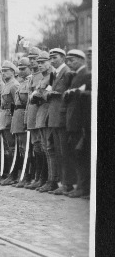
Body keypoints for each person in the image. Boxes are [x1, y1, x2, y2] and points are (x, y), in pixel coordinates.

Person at [46, 48, 74, 195]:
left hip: (62, 116)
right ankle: (62, 183)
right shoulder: (54, 74)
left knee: (64, 152)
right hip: (54, 117)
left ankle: (67, 184)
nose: (52, 61)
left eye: (54, 57)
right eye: (50, 58)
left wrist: (57, 94)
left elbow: (71, 93)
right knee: (58, 151)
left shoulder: (67, 72)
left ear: (63, 58)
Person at [64, 49, 91, 198]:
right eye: (68, 60)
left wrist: (75, 92)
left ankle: (83, 187)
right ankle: (81, 186)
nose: (69, 63)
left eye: (72, 60)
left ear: (81, 60)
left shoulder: (86, 75)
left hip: (80, 121)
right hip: (73, 120)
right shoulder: (75, 76)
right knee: (77, 154)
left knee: (81, 155)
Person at [25, 49, 47, 190]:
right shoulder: (32, 76)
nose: (32, 61)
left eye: (35, 59)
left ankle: (42, 177)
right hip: (32, 113)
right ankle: (38, 176)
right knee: (36, 146)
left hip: (39, 112)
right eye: (31, 59)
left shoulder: (41, 76)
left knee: (41, 146)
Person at [0, 61, 18, 185]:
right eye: (2, 71)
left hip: (10, 118)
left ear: (13, 71)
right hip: (3, 117)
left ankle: (13, 175)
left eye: (6, 70)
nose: (3, 73)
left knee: (12, 147)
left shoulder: (14, 85)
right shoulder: (6, 85)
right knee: (8, 148)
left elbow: (17, 103)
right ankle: (9, 173)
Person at [11, 58, 32, 187]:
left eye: (23, 68)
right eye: (19, 68)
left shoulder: (30, 82)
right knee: (21, 149)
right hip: (17, 116)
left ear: (30, 67)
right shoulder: (22, 82)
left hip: (25, 114)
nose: (20, 71)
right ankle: (23, 175)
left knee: (27, 149)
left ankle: (28, 176)